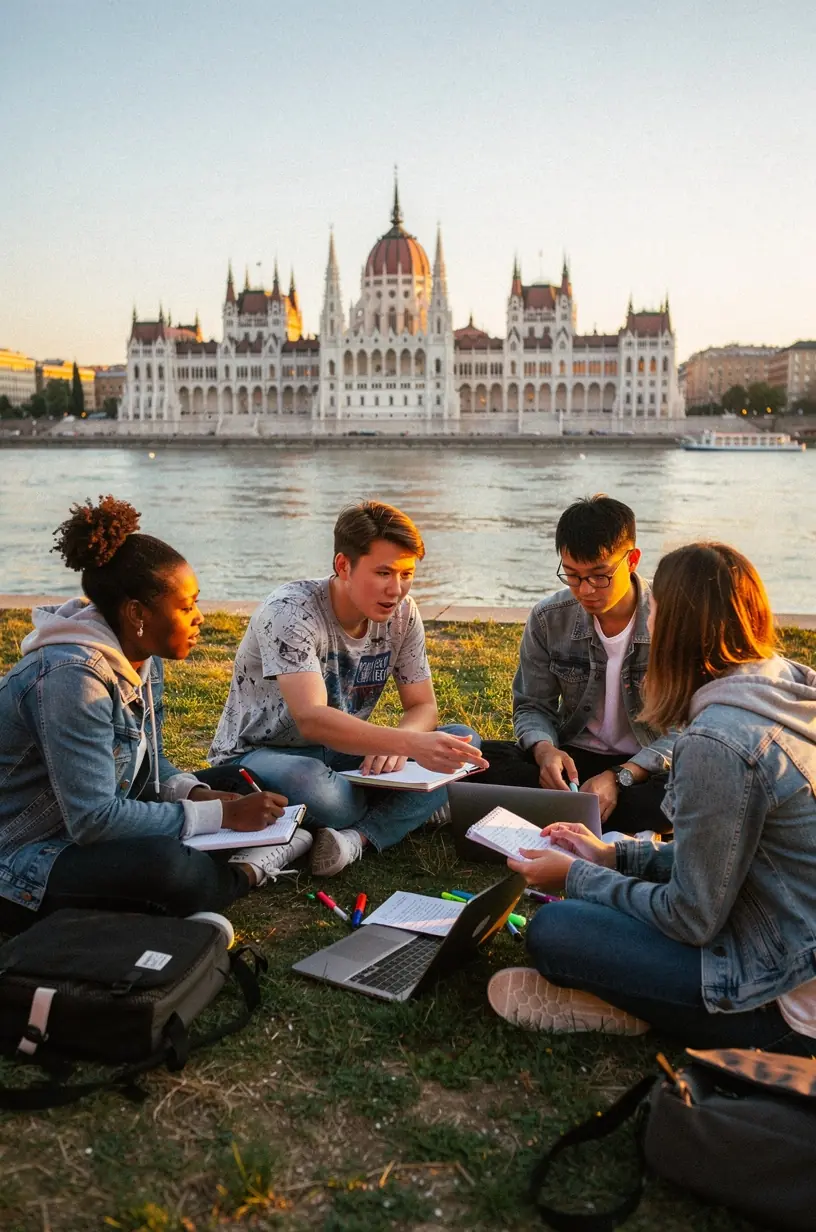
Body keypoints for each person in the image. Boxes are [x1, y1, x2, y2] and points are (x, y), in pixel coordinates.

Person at [488, 542, 816, 1055]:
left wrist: (574, 876)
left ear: (679, 630)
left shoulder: (721, 741)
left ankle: (632, 1006)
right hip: (783, 938)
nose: (650, 625)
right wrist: (613, 855)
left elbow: (690, 917)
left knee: (555, 929)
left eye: (657, 613)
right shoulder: (782, 688)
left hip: (778, 999)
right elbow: (725, 857)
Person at [0, 496, 311, 934]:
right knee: (168, 868)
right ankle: (242, 874)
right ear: (136, 613)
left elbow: (147, 767)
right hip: (20, 857)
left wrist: (199, 795)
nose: (199, 618)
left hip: (77, 826)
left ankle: (233, 849)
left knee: (229, 782)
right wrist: (221, 817)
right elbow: (93, 819)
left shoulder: (141, 656)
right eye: (186, 607)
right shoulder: (72, 677)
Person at [207, 500, 487, 876]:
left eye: (406, 573)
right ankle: (415, 805)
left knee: (463, 742)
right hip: (258, 753)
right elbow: (312, 719)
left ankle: (355, 839)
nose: (397, 589)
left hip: (344, 755)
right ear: (343, 565)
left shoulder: (403, 613)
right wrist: (403, 746)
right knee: (330, 798)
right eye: (384, 572)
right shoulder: (291, 611)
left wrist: (399, 741)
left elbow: (422, 707)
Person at [475, 494, 672, 833]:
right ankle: (599, 816)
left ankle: (558, 812)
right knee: (478, 760)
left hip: (646, 766)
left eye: (600, 575)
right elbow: (533, 706)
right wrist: (545, 751)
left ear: (632, 559)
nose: (586, 589)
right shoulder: (549, 617)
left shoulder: (671, 619)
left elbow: (689, 729)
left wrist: (620, 777)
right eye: (572, 575)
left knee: (690, 789)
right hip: (575, 758)